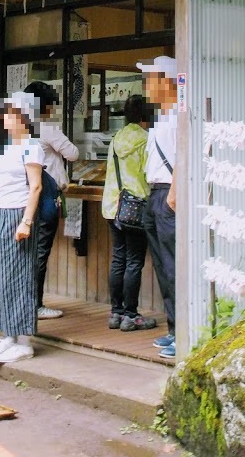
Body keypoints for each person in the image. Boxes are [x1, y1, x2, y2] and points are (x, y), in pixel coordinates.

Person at [0, 91, 43, 365]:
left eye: (10, 113)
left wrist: (26, 221)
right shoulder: (11, 147)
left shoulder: (32, 146)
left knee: (18, 275)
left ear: (23, 117)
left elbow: (36, 186)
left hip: (17, 214)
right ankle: (8, 334)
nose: (5, 118)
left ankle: (25, 341)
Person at [101, 94, 157, 332]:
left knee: (119, 258)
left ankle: (116, 312)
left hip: (113, 206)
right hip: (135, 207)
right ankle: (131, 315)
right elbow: (151, 174)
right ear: (146, 115)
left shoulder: (116, 138)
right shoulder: (147, 140)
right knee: (134, 261)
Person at [23, 81, 79, 320]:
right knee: (41, 251)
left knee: (28, 251)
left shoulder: (22, 128)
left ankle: (26, 302)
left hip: (26, 195)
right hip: (47, 193)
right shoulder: (47, 128)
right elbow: (74, 154)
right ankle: (35, 304)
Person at [138, 56, 178, 360]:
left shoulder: (178, 116)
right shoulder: (162, 118)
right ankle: (174, 329)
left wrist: (174, 195)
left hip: (167, 195)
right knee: (164, 268)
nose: (146, 86)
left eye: (150, 79)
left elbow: (185, 158)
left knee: (174, 266)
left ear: (167, 82)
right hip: (155, 195)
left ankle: (182, 332)